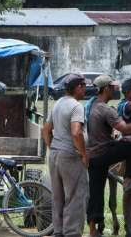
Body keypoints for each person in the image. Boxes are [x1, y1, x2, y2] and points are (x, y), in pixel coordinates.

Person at [86, 75, 131, 237]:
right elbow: (126, 129)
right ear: (105, 89)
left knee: (95, 192)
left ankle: (92, 229)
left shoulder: (92, 106)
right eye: (112, 87)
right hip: (101, 154)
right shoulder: (105, 109)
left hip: (95, 156)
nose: (115, 90)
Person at [43, 74, 89, 237]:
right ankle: (71, 233)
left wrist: (53, 147)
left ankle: (59, 232)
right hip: (70, 155)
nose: (85, 89)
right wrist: (83, 154)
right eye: (84, 86)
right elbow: (76, 132)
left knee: (58, 197)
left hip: (55, 154)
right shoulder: (76, 106)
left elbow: (46, 130)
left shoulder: (58, 104)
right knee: (75, 197)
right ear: (78, 87)